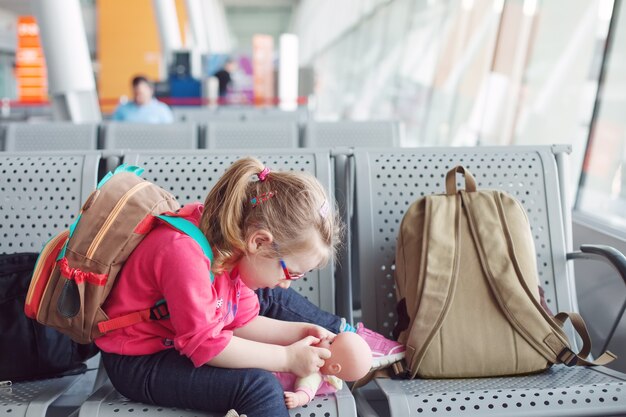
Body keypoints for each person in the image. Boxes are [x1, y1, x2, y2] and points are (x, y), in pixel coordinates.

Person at [96, 157, 404, 417]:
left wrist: (301, 331)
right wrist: (286, 358)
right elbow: (206, 344)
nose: (285, 284)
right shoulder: (183, 254)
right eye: (291, 274)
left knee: (263, 366)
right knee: (258, 386)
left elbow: (243, 322)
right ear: (259, 242)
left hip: (173, 343)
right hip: (137, 362)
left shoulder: (230, 248)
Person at [278, 332, 372, 409]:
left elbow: (307, 392)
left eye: (331, 342)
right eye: (333, 336)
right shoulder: (310, 349)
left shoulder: (313, 374)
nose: (328, 336)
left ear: (334, 368)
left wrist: (297, 398)